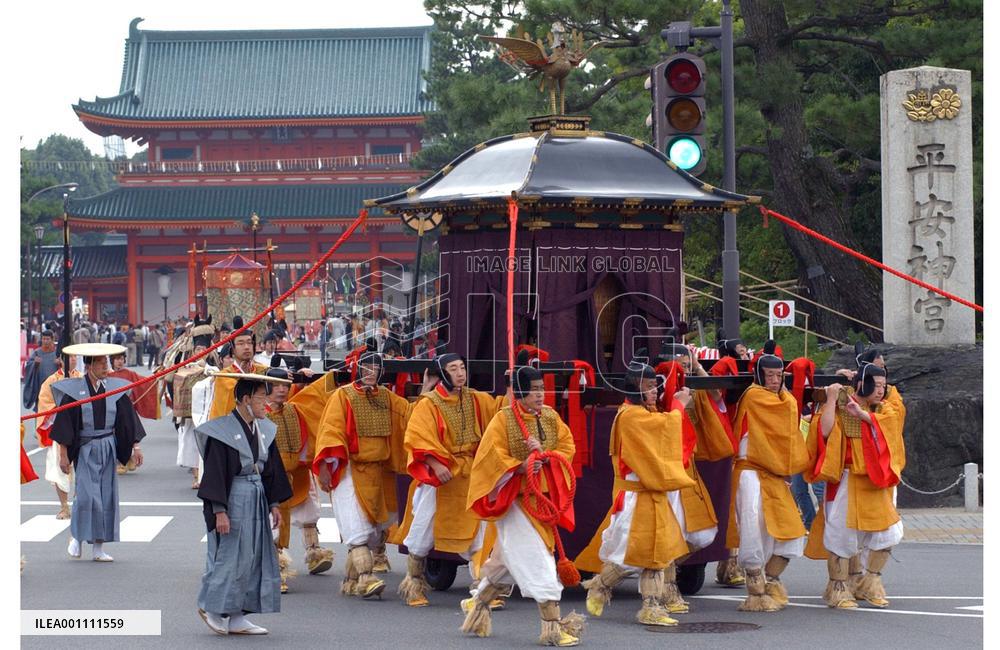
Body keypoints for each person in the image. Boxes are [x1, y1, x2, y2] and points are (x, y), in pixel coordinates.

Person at [462, 367, 582, 646]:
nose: (540, 394)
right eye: (534, 389)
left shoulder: (551, 416)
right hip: (517, 501)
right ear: (519, 392)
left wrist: (548, 457)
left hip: (542, 499)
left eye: (542, 388)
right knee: (539, 561)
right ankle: (551, 628)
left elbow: (567, 446)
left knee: (503, 565)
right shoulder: (502, 420)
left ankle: (478, 604)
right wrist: (520, 466)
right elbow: (491, 458)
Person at [580, 363, 694, 627]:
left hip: (650, 495)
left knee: (657, 555)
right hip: (636, 498)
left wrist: (674, 407)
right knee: (629, 557)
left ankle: (651, 607)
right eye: (648, 385)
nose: (655, 390)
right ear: (634, 387)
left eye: (655, 384)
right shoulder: (631, 415)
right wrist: (678, 406)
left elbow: (661, 427)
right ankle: (599, 585)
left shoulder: (642, 413)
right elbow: (665, 427)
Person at [393, 353, 502, 607]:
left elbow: (500, 412)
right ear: (442, 373)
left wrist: (511, 386)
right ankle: (414, 583)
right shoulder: (429, 404)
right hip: (439, 479)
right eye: (453, 369)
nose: (460, 373)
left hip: (469, 476)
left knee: (478, 530)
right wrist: (434, 463)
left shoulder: (476, 399)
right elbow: (416, 436)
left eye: (462, 367)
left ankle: (482, 588)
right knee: (423, 531)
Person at [312, 352, 420, 599]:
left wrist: (429, 390)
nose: (371, 372)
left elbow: (410, 414)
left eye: (376, 368)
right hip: (350, 470)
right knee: (357, 528)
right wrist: (327, 467)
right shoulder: (343, 396)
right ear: (358, 369)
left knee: (378, 528)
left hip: (380, 471)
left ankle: (349, 580)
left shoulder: (388, 398)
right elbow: (330, 430)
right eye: (367, 367)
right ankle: (365, 578)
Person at [195, 372, 293, 635]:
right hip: (233, 497)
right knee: (229, 556)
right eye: (262, 397)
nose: (266, 403)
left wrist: (274, 503)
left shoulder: (264, 429)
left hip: (257, 494)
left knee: (253, 557)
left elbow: (271, 468)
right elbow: (215, 474)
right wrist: (219, 511)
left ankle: (238, 614)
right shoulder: (222, 431)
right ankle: (213, 608)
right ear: (246, 399)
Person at [806, 363, 905, 609]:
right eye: (876, 385)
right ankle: (838, 588)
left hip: (875, 482)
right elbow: (825, 430)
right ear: (863, 383)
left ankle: (870, 582)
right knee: (842, 538)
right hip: (847, 480)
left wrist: (866, 416)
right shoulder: (841, 404)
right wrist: (831, 399)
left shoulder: (884, 410)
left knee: (888, 533)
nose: (881, 390)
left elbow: (892, 427)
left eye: (884, 385)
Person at [726, 342, 810, 612]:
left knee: (792, 532)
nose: (775, 381)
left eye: (779, 376)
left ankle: (771, 579)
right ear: (759, 376)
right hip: (750, 472)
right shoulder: (754, 396)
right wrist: (787, 395)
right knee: (753, 530)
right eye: (770, 376)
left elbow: (788, 409)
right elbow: (787, 409)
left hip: (772, 474)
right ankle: (756, 591)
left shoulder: (780, 398)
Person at [49, 343, 146, 562]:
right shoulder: (75, 391)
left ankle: (98, 548)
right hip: (85, 448)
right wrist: (63, 455)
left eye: (107, 362)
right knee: (86, 497)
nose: (106, 366)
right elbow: (65, 424)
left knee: (105, 497)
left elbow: (127, 421)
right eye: (101, 362)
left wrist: (135, 446)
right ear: (90, 365)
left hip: (108, 446)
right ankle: (77, 537)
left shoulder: (114, 389)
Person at [264, 364, 335, 593]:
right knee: (275, 521)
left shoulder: (295, 409)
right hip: (271, 477)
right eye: (276, 385)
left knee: (310, 510)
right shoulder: (258, 415)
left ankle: (313, 551)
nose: (282, 390)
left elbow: (317, 398)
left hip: (298, 471)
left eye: (285, 385)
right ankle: (276, 567)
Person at [35, 353, 81, 520]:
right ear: (61, 360)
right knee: (60, 468)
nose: (73, 360)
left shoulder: (82, 378)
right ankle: (64, 506)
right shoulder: (51, 381)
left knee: (82, 469)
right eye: (69, 357)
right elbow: (44, 402)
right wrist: (61, 406)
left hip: (81, 430)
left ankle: (79, 504)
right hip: (60, 429)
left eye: (75, 357)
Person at [209, 316, 268, 420]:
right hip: (232, 428)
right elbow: (222, 410)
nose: (246, 347)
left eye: (249, 342)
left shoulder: (262, 370)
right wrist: (244, 376)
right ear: (232, 350)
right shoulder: (224, 377)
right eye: (240, 343)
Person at [22, 331, 60, 411]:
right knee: (40, 412)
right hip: (40, 387)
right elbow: (28, 367)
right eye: (43, 339)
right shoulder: (37, 352)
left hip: (54, 388)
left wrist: (60, 364)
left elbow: (65, 368)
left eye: (47, 339)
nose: (45, 341)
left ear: (52, 340)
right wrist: (34, 364)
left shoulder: (57, 353)